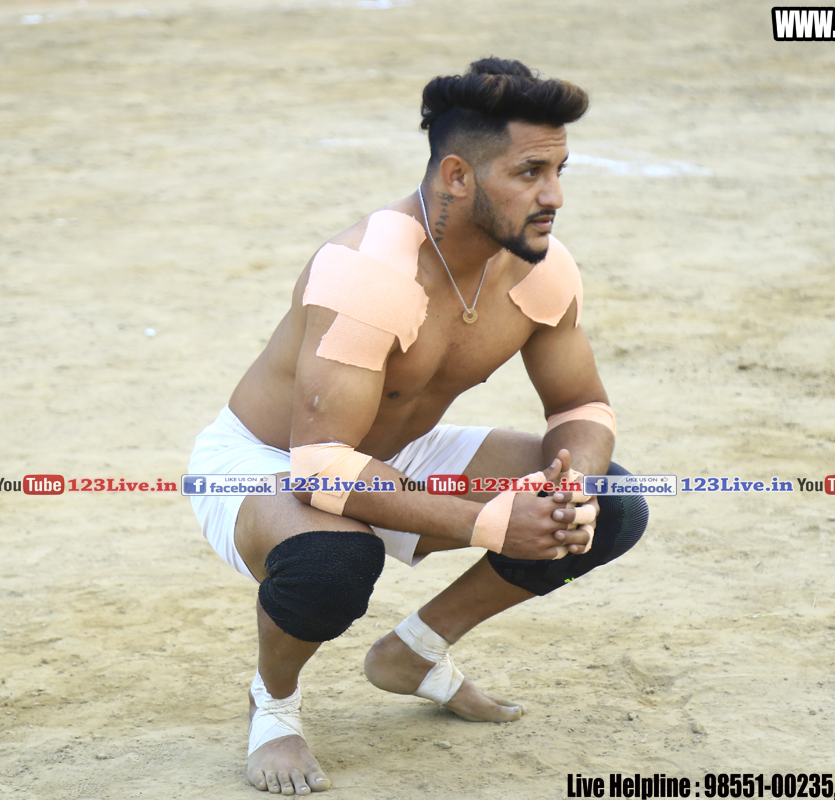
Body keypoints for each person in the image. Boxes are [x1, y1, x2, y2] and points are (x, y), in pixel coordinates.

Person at [187, 57, 649, 795]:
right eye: (530, 172)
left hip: (399, 450)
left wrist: (573, 487)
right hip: (271, 461)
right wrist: (491, 523)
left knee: (612, 506)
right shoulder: (369, 274)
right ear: (458, 176)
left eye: (560, 171)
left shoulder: (541, 270)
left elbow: (579, 409)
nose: (554, 196)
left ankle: (415, 651)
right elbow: (320, 467)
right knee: (333, 563)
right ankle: (273, 704)